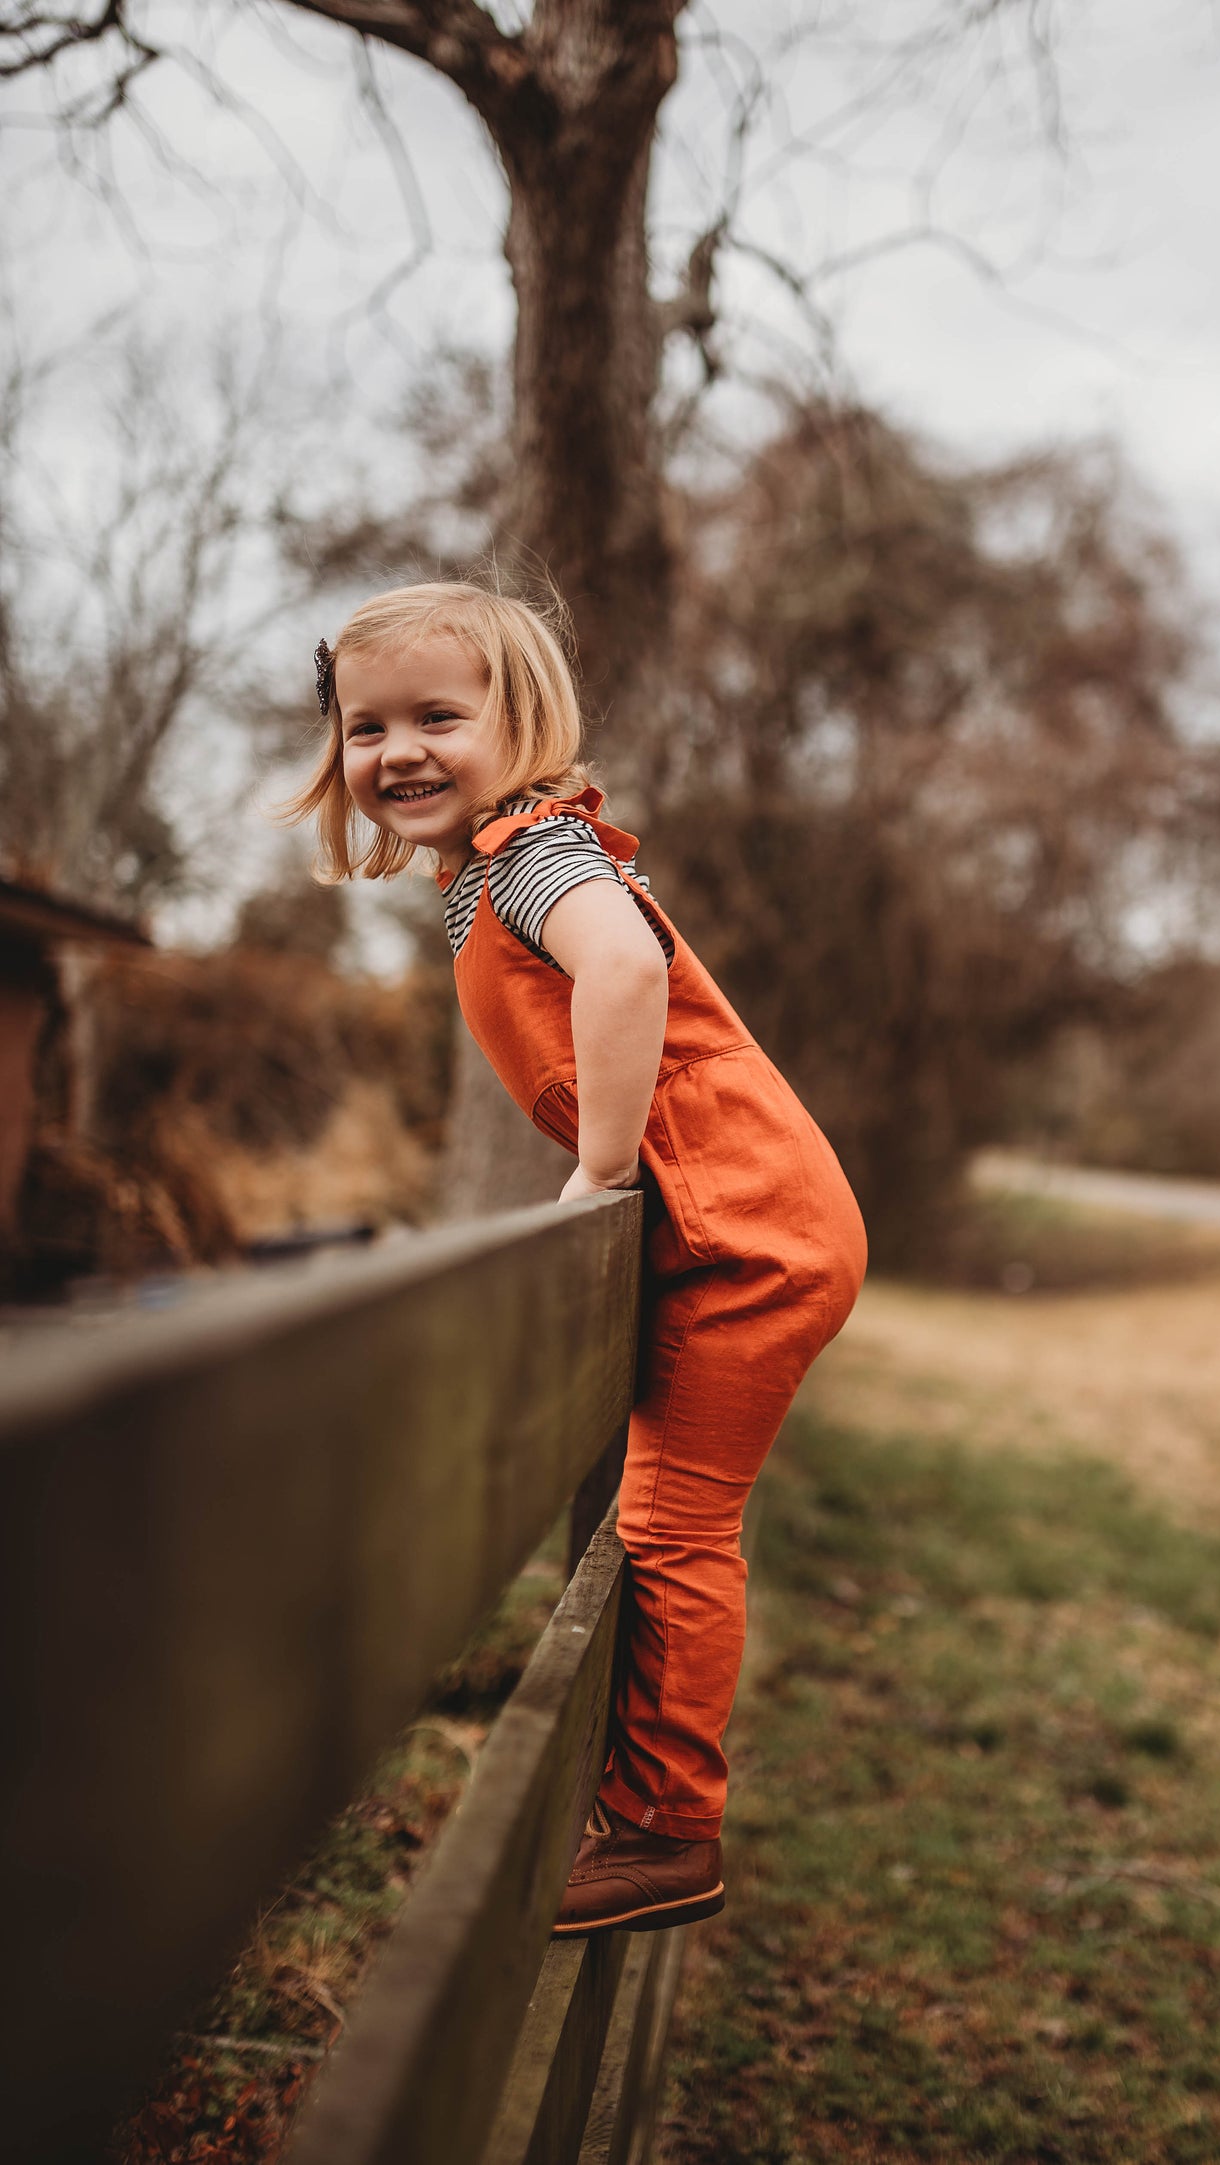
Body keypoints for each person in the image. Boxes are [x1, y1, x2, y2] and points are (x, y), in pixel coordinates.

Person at [287, 579, 867, 1935]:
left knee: (670, 1522)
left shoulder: (541, 855)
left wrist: (603, 1166)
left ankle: (668, 1831)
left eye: (438, 714)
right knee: (662, 1512)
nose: (397, 752)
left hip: (752, 1235)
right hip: (738, 1223)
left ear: (522, 721)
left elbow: (624, 973)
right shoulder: (491, 871)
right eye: (366, 727)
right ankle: (647, 1802)